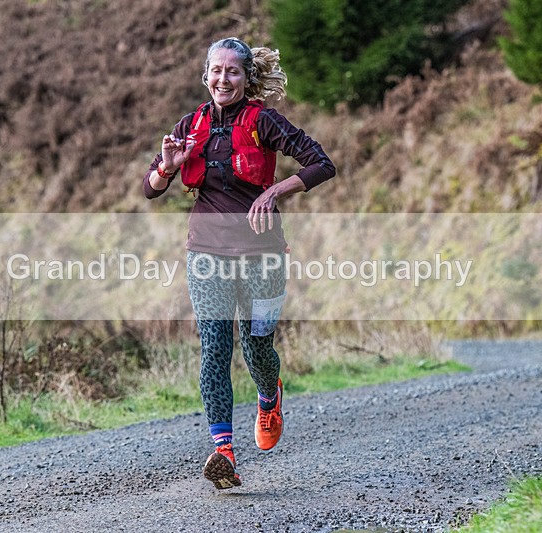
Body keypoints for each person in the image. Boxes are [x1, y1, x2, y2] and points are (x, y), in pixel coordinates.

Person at [143, 37, 335, 489]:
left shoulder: (262, 120)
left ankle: (270, 396)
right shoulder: (190, 126)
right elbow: (150, 188)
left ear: (247, 78)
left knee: (256, 347)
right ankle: (223, 452)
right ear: (205, 75)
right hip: (206, 253)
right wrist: (168, 167)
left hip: (262, 253)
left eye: (233, 71)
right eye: (216, 70)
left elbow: (321, 163)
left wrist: (275, 190)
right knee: (214, 348)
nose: (223, 79)